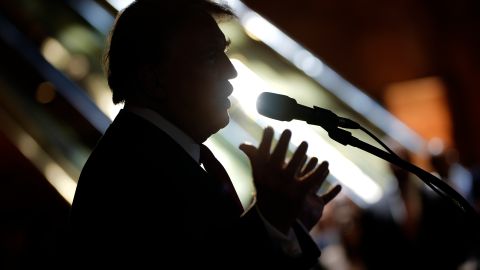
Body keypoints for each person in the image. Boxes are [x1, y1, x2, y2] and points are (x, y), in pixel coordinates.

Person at [67, 0, 342, 269]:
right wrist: (269, 221)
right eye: (211, 56)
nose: (230, 70)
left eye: (225, 52)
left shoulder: (151, 153)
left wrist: (281, 224)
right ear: (154, 80)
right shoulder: (129, 172)